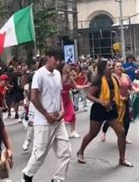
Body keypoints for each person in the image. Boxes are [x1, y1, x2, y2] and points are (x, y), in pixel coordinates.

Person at [22, 48, 72, 182]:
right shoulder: (39, 74)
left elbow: (58, 95)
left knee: (65, 152)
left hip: (58, 120)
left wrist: (62, 111)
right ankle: (27, 175)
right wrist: (46, 115)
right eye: (55, 59)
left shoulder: (57, 74)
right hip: (43, 122)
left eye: (59, 60)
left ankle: (57, 179)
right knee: (40, 154)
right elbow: (33, 98)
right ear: (48, 58)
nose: (57, 62)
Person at [76, 59, 133, 167]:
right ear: (103, 68)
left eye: (112, 65)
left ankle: (122, 159)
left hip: (111, 108)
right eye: (109, 65)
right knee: (92, 134)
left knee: (121, 132)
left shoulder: (114, 79)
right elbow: (88, 95)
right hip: (99, 109)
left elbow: (116, 92)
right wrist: (101, 102)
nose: (111, 67)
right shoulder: (98, 81)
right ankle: (80, 151)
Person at [100, 61, 132, 144]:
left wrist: (134, 90)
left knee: (126, 121)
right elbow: (111, 91)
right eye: (117, 66)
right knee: (112, 120)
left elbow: (130, 87)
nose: (120, 68)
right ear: (114, 68)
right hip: (115, 102)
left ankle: (123, 138)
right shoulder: (112, 77)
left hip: (126, 101)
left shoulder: (126, 76)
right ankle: (103, 131)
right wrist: (119, 97)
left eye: (121, 66)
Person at [58, 63, 83, 139]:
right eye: (67, 67)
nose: (69, 68)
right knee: (60, 117)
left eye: (69, 67)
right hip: (59, 99)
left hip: (68, 98)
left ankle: (73, 131)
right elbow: (61, 84)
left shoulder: (70, 77)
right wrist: (67, 74)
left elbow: (76, 86)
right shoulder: (58, 76)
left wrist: (87, 86)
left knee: (72, 114)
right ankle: (60, 133)